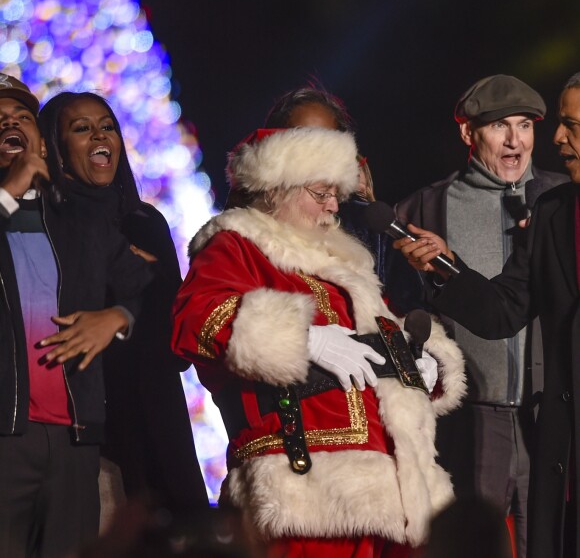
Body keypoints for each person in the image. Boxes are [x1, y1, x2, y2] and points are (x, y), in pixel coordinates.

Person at [172, 125, 466, 557]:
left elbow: (382, 328)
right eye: (320, 192)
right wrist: (302, 338)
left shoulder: (341, 259)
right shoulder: (234, 244)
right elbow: (196, 319)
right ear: (278, 189)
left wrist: (421, 358)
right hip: (304, 482)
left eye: (335, 194)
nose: (333, 207)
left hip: (391, 481)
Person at [393, 71, 580, 558]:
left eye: (528, 125)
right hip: (479, 420)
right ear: (469, 133)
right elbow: (500, 307)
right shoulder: (428, 208)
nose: (520, 140)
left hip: (548, 421)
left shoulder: (552, 199)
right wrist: (444, 272)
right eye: (501, 126)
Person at [0, 74, 152, 557]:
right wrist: (10, 190)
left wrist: (117, 317)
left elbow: (141, 282)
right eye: (0, 121)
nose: (13, 124)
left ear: (42, 139)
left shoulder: (81, 220)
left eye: (23, 116)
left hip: (74, 435)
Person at [38, 91, 209, 516]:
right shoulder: (41, 223)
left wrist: (118, 317)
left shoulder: (146, 223)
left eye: (107, 125)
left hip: (155, 422)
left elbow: (175, 325)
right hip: (77, 431)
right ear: (55, 150)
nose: (99, 134)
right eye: (81, 128)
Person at [261, 85, 425, 315]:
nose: (315, 156)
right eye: (302, 144)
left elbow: (408, 310)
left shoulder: (366, 225)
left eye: (328, 146)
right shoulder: (241, 231)